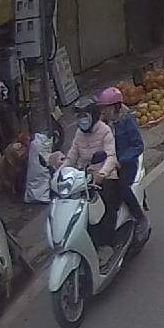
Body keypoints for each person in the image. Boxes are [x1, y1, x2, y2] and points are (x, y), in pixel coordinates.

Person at [63, 102, 120, 263]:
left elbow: (111, 156)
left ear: (93, 117)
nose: (82, 120)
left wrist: (102, 173)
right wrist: (60, 172)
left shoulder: (105, 131)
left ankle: (106, 244)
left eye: (85, 116)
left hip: (105, 177)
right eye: (79, 116)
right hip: (83, 179)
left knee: (104, 206)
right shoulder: (79, 134)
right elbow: (72, 156)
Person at [97, 87, 148, 241]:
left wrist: (121, 159)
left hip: (126, 164)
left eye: (106, 108)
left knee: (122, 186)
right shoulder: (102, 124)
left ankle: (140, 218)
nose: (103, 111)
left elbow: (138, 145)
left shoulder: (127, 120)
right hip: (108, 163)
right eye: (102, 108)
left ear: (116, 107)